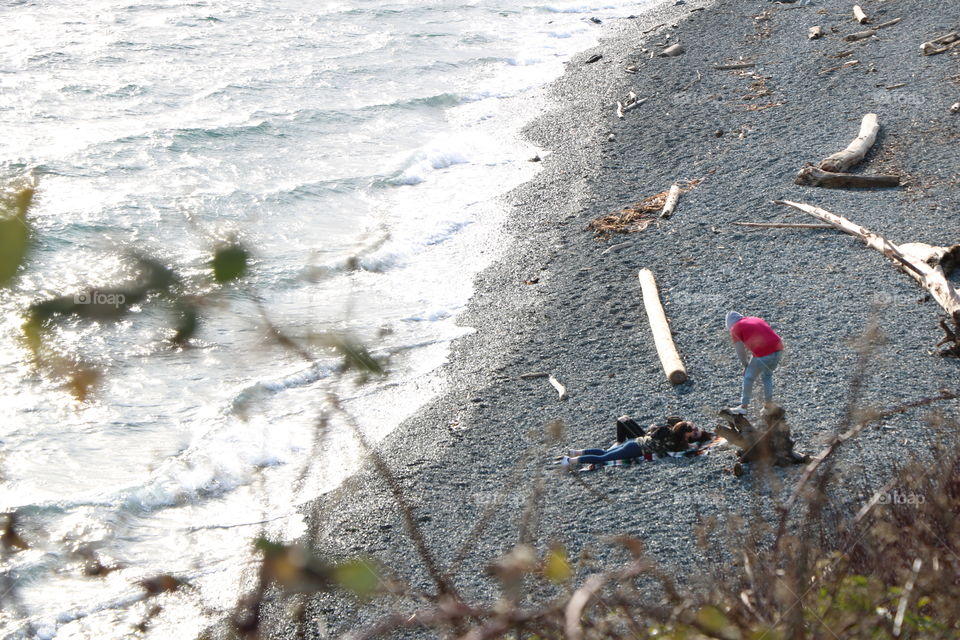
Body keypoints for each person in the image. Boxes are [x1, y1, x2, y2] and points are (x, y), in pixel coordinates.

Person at [560, 421, 711, 467]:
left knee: (605, 452)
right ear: (685, 433)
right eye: (692, 431)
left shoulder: (668, 431)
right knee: (604, 458)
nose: (693, 433)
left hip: (635, 441)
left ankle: (576, 452)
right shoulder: (677, 442)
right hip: (635, 448)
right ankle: (570, 461)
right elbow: (689, 450)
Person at [725, 311, 784, 416]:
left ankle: (743, 407)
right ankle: (768, 405)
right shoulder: (755, 319)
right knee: (767, 376)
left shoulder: (735, 328)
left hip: (764, 353)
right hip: (778, 349)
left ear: (730, 325)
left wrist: (746, 366)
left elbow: (740, 351)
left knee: (748, 377)